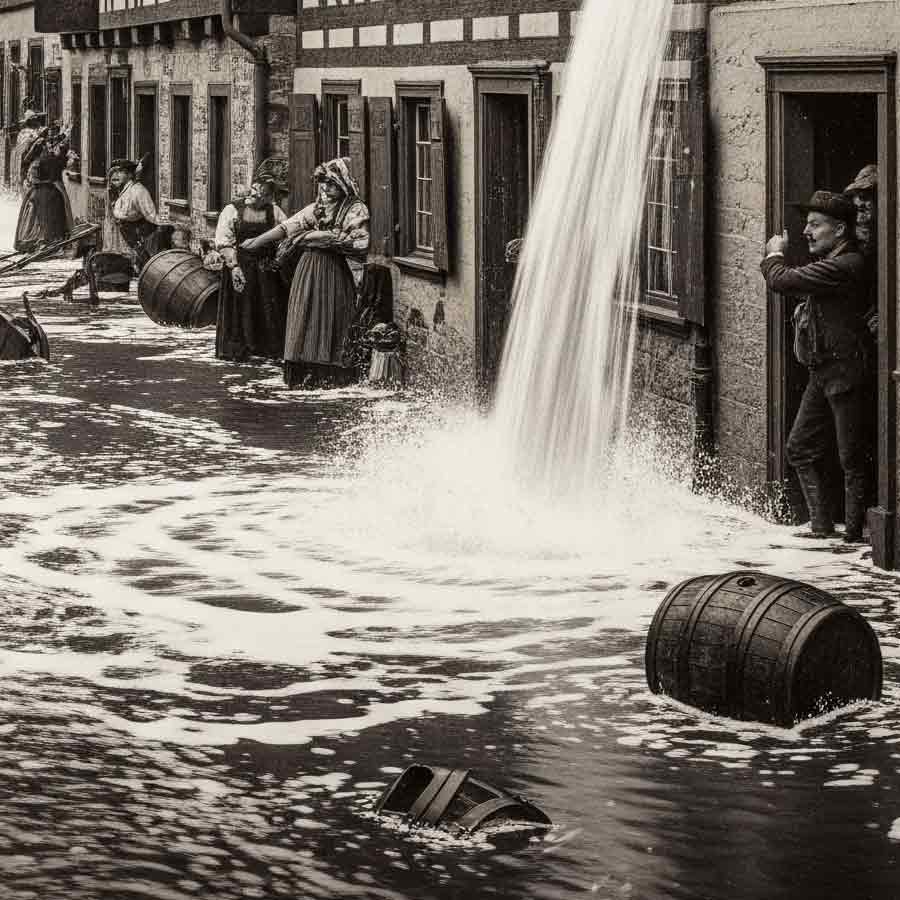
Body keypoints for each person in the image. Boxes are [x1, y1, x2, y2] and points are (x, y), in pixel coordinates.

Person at [761, 190, 870, 542]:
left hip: (846, 374)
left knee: (851, 458)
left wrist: (774, 253)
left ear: (839, 229)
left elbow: (782, 280)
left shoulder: (846, 264)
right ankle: (821, 527)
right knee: (799, 448)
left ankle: (852, 538)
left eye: (814, 224)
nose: (806, 231)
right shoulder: (832, 262)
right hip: (822, 372)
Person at [240, 157, 370, 388]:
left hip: (335, 272)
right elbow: (288, 226)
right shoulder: (318, 208)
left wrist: (309, 236)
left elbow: (356, 242)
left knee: (331, 315)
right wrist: (257, 241)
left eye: (331, 184)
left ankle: (329, 374)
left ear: (344, 184)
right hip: (308, 270)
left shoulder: (355, 209)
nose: (325, 189)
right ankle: (303, 373)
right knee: (304, 315)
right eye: (323, 183)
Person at [214, 174, 289, 361]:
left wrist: (278, 258)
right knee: (239, 309)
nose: (256, 196)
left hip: (265, 269)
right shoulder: (232, 210)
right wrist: (234, 267)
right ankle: (238, 349)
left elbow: (286, 237)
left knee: (267, 308)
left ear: (269, 196)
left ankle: (266, 350)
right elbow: (224, 242)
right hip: (240, 267)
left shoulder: (275, 212)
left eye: (263, 195)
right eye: (255, 191)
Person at [13, 123, 75, 252]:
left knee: (55, 212)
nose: (52, 138)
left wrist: (67, 158)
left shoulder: (60, 147)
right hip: (41, 187)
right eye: (50, 134)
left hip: (52, 187)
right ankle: (40, 240)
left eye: (54, 133)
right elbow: (28, 160)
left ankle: (53, 241)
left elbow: (62, 164)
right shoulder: (40, 146)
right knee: (40, 214)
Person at [107, 158, 167, 271]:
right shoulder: (121, 190)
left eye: (120, 172)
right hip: (123, 238)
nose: (115, 176)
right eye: (113, 172)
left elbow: (151, 215)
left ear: (130, 175)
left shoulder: (138, 191)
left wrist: (164, 225)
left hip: (135, 237)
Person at [10, 109, 45, 194]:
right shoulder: (25, 132)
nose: (36, 121)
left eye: (36, 119)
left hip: (30, 158)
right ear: (29, 121)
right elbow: (25, 145)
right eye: (34, 120)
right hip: (25, 159)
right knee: (25, 180)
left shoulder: (33, 131)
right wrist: (37, 137)